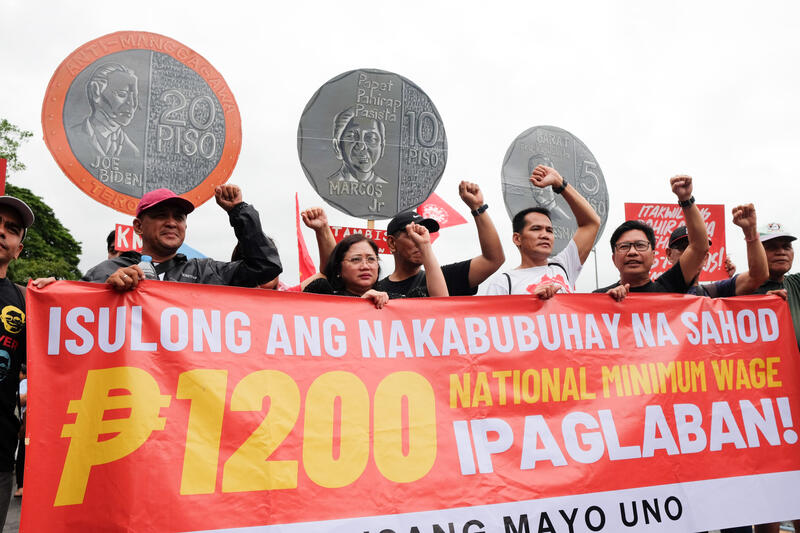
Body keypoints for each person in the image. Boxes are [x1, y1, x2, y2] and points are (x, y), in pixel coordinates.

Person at [82, 185, 281, 289]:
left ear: (185, 226)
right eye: (161, 215)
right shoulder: (105, 272)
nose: (171, 223)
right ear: (138, 226)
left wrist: (239, 210)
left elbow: (265, 266)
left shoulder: (205, 273)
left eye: (178, 217)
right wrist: (107, 292)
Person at [484, 165, 600, 297]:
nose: (545, 235)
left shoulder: (564, 266)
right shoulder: (503, 283)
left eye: (549, 230)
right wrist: (532, 302)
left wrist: (560, 183)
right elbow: (495, 312)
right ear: (517, 238)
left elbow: (591, 223)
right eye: (536, 229)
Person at [377, 181, 504, 296]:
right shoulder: (375, 290)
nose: (420, 241)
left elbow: (493, 260)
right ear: (392, 243)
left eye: (424, 234)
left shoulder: (444, 278)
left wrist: (478, 208)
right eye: (413, 234)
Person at [594, 175, 709, 299]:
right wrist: (606, 302)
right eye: (624, 247)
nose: (632, 252)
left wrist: (686, 199)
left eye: (640, 245)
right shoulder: (599, 297)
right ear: (613, 259)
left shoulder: (669, 288)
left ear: (653, 256)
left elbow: (699, 247)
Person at [304, 224, 447, 307]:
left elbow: (441, 307)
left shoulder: (394, 301)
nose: (365, 266)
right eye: (355, 260)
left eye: (371, 259)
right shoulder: (323, 297)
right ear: (338, 268)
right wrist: (361, 305)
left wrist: (424, 245)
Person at [0, 195, 34, 529]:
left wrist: (52, 302)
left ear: (18, 249)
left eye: (11, 229)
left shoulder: (25, 301)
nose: (1, 232)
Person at [664, 204, 767, 297]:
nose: (691, 253)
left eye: (699, 250)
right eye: (683, 247)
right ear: (669, 254)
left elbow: (757, 277)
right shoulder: (656, 293)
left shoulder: (714, 292)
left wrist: (750, 232)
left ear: (705, 258)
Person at [231, 206, 336, 291]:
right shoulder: (224, 296)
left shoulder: (289, 297)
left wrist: (323, 229)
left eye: (271, 258)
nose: (268, 264)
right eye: (260, 261)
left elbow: (329, 274)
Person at [71, 63, 140, 159]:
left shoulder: (133, 152)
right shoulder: (71, 137)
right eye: (122, 94)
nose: (132, 104)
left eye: (135, 97)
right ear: (95, 91)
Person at [327, 107, 388, 184]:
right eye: (352, 137)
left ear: (382, 147)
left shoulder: (387, 187)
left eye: (371, 138)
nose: (361, 146)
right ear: (337, 146)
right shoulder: (329, 184)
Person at [14, 364, 25, 498]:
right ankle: (21, 486)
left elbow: (21, 400)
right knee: (22, 453)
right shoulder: (24, 383)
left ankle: (21, 486)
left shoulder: (25, 382)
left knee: (22, 454)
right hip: (26, 423)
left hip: (26, 423)